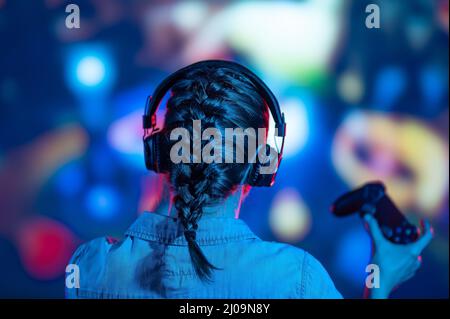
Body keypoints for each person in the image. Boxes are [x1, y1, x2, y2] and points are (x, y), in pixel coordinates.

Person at [66, 61, 433, 299]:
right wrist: (381, 285)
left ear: (157, 151)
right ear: (264, 164)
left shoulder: (91, 265)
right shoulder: (296, 278)